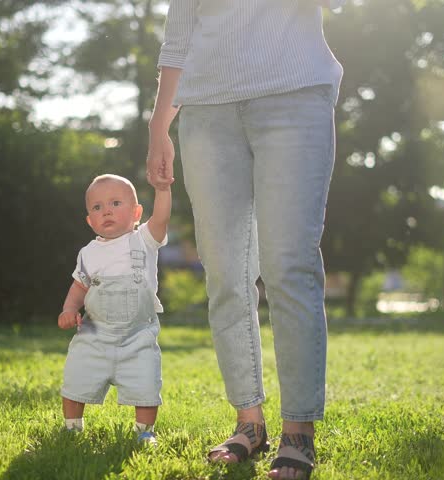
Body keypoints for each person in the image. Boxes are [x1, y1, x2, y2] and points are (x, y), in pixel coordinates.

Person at [147, 0, 344, 478]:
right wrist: (159, 127)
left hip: (293, 97)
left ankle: (299, 430)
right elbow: (179, 38)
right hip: (207, 113)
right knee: (226, 275)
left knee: (287, 266)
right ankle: (248, 423)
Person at [58, 174, 171, 444]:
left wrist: (163, 189)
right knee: (76, 377)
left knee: (145, 384)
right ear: (90, 220)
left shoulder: (144, 239)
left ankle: (144, 431)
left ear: (136, 212)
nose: (106, 210)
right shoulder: (89, 253)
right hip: (94, 335)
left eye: (115, 203)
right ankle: (72, 426)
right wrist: (69, 309)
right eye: (97, 207)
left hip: (137, 337)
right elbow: (79, 287)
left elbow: (162, 218)